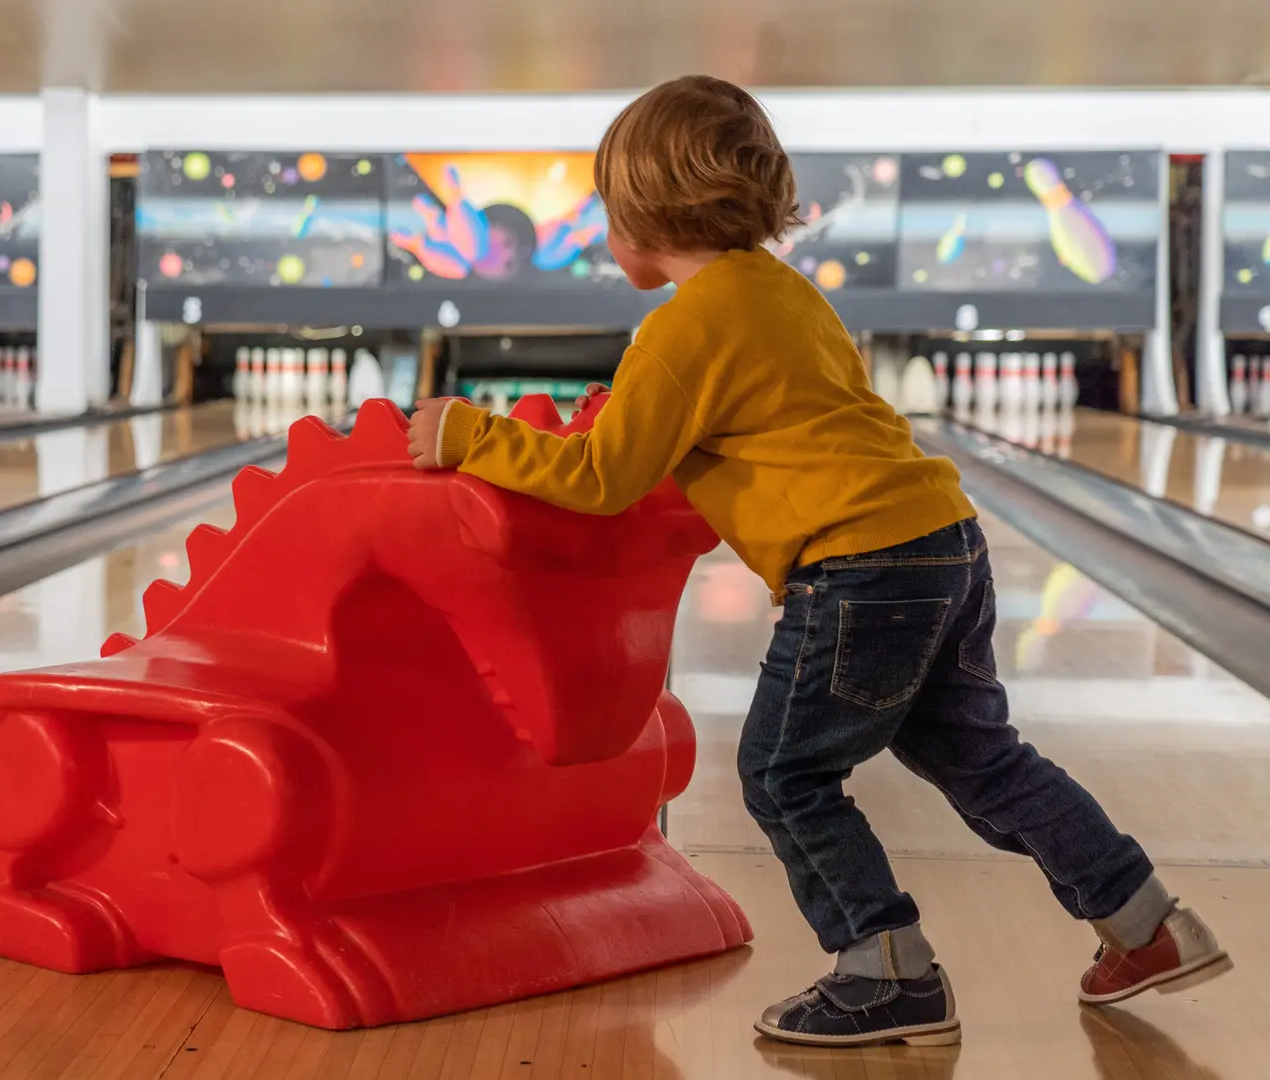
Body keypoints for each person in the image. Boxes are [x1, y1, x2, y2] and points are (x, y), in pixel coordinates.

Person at [403, 74, 1230, 1049]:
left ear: (635, 217)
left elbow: (601, 476)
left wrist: (469, 434)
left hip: (864, 569)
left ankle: (886, 971)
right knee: (982, 757)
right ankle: (1147, 925)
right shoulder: (785, 293)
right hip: (942, 540)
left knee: (782, 774)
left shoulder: (683, 327)